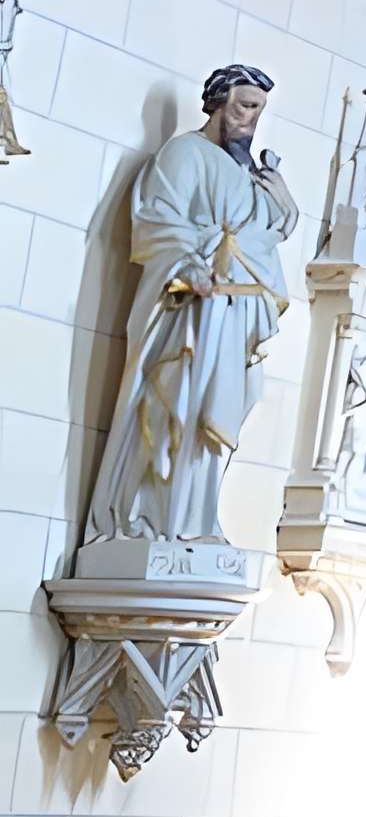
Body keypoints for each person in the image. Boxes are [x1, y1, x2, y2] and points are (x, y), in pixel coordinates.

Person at [88, 65, 299, 547]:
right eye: (246, 107)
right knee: (179, 408)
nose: (251, 121)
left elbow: (270, 231)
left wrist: (282, 199)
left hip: (238, 313)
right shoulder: (185, 154)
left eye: (259, 111)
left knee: (230, 405)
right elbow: (157, 217)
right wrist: (190, 262)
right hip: (191, 312)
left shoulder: (250, 172)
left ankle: (196, 522)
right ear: (218, 103)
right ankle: (152, 521)